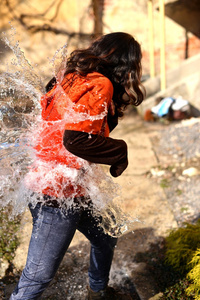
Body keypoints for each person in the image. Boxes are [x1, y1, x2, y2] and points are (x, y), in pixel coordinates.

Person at [10, 32, 145, 300]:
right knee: (38, 276)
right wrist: (120, 151)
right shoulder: (101, 84)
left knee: (107, 233)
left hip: (63, 180)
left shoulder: (73, 76)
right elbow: (76, 140)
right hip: (57, 192)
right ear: (125, 64)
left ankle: (98, 291)